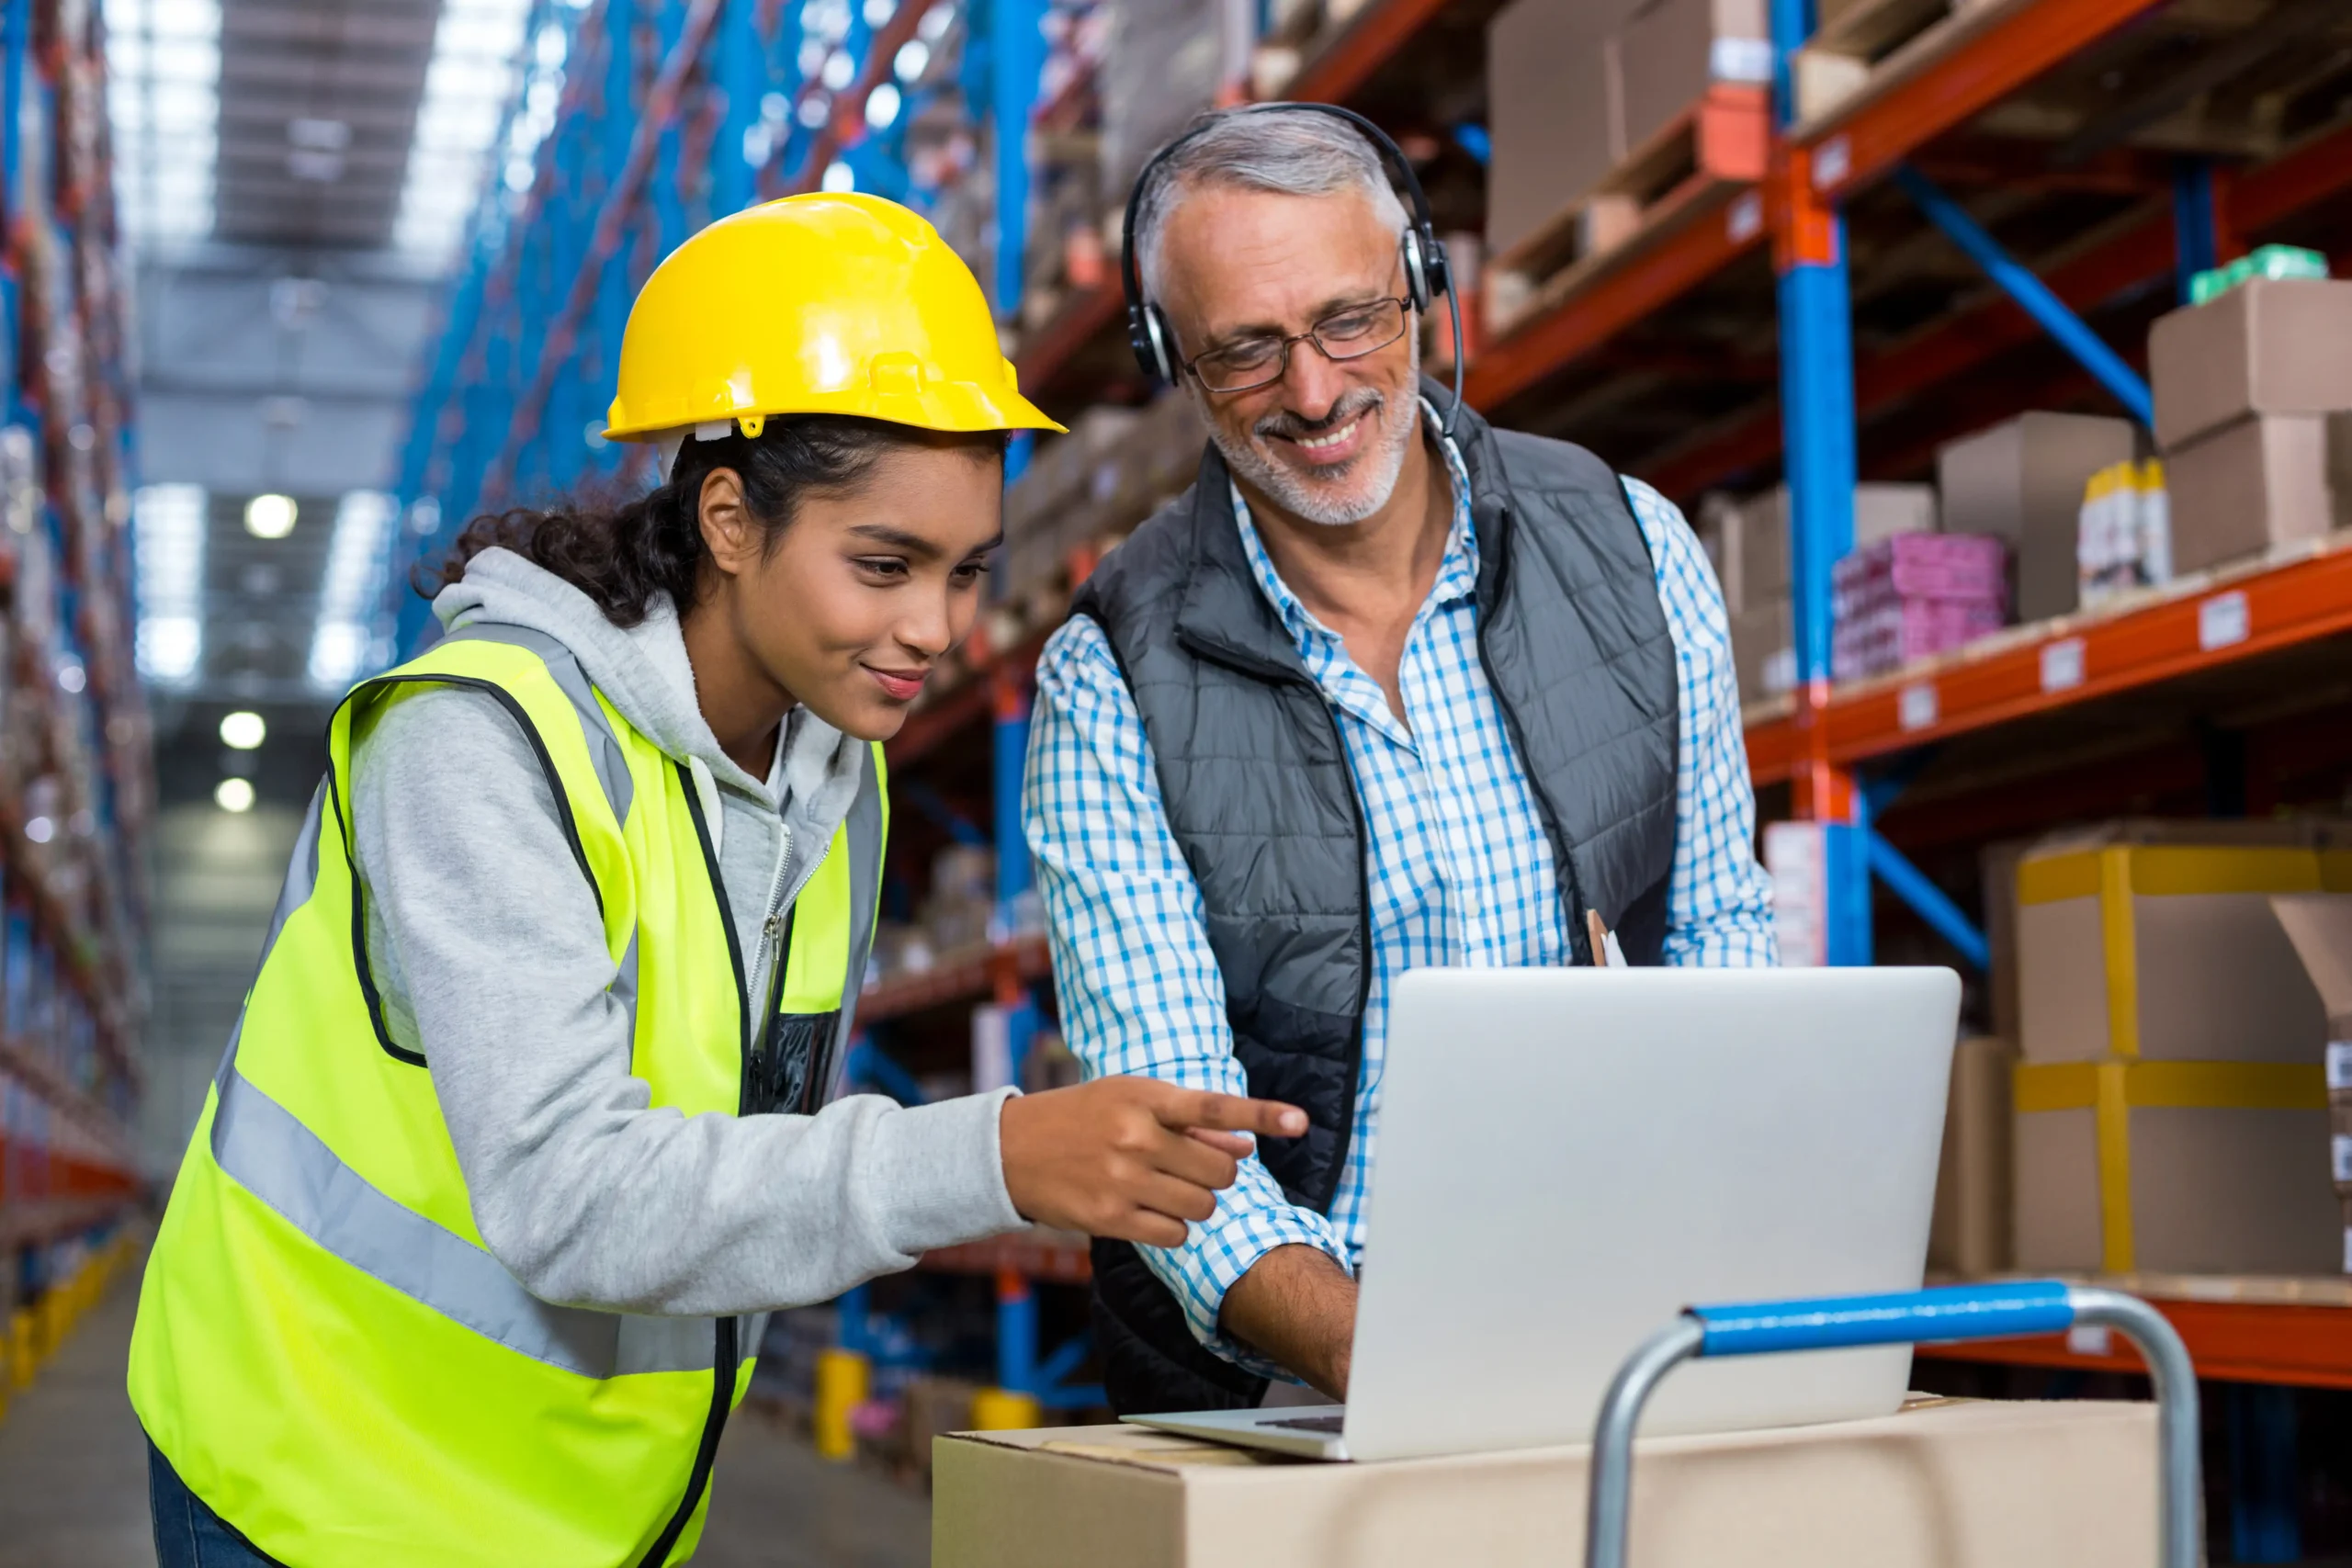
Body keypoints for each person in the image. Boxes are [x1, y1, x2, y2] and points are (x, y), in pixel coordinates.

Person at [128, 193, 1305, 1568]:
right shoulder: (479, 739)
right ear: (732, 519)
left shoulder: (833, 774)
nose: (934, 626)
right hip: (315, 1480)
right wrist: (996, 1155)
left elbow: (728, 1148)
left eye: (967, 571)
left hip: (588, 1512)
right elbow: (571, 1194)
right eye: (884, 564)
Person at [1022, 106, 1779, 1417]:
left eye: (1349, 319)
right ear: (1173, 362)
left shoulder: (1633, 550)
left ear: (1425, 285)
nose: (1313, 392)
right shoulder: (1113, 679)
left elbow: (1720, 929)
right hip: (1282, 1389)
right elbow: (1168, 1141)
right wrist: (1392, 1357)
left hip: (1625, 1336)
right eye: (1246, 350)